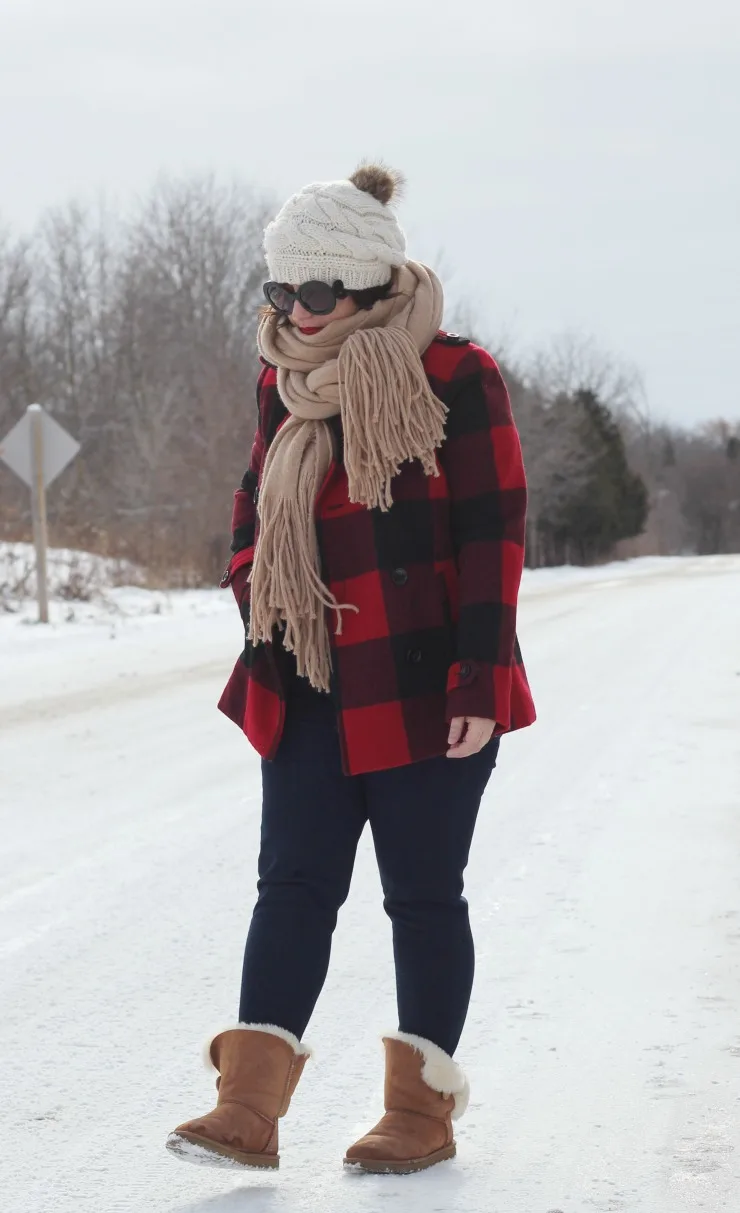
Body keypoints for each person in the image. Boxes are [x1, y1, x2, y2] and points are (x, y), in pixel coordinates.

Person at [167, 164, 536, 1176]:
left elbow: (489, 532)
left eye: (315, 294)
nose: (294, 312)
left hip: (424, 685)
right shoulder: (278, 380)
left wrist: (475, 678)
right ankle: (247, 1112)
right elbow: (252, 508)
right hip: (309, 678)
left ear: (371, 290)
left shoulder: (457, 375)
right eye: (279, 293)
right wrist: (258, 594)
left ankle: (418, 1116)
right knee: (289, 886)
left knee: (421, 898)